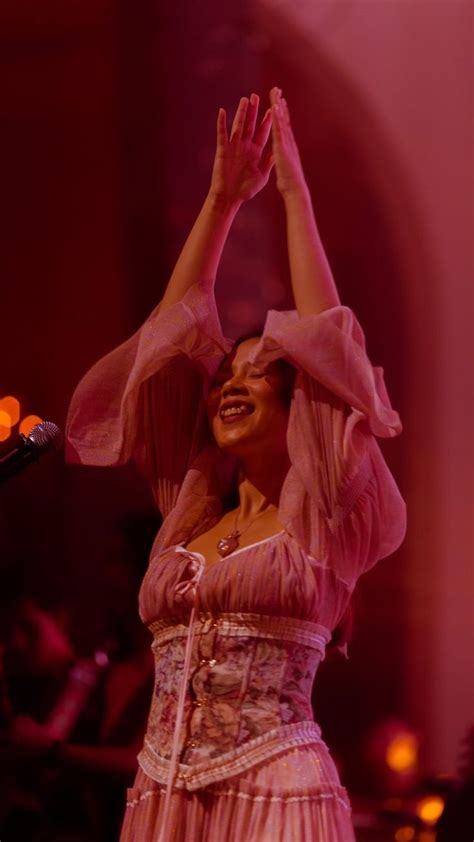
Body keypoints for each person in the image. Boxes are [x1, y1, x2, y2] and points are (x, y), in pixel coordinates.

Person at [66, 87, 406, 841]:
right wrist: (220, 204)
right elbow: (174, 333)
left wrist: (293, 197)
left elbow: (329, 348)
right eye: (227, 377)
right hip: (161, 797)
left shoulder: (325, 516)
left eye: (259, 374)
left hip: (274, 794)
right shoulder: (189, 508)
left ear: (300, 412)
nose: (232, 382)